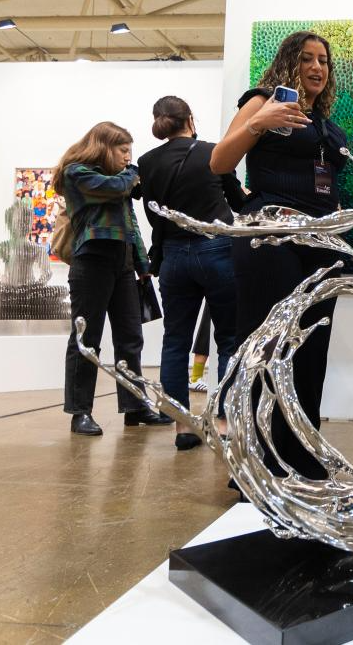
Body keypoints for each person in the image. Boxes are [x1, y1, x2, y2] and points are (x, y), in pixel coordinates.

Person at [210, 30, 347, 481]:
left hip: (320, 241)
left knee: (310, 349)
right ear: (289, 62)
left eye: (323, 60)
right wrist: (259, 123)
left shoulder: (323, 122)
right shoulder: (262, 101)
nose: (317, 67)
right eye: (307, 58)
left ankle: (301, 459)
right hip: (271, 239)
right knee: (266, 346)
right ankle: (254, 461)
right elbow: (219, 162)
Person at [138, 96, 245, 450]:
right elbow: (239, 203)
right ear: (190, 119)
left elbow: (155, 214)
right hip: (217, 250)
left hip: (173, 257)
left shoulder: (146, 162)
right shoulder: (213, 152)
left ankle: (182, 427)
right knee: (228, 339)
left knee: (175, 341)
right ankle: (225, 424)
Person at [54, 122, 169, 436]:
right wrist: (134, 173)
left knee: (130, 337)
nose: (128, 157)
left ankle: (135, 407)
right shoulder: (77, 174)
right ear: (104, 147)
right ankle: (80, 412)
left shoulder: (119, 181)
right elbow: (115, 188)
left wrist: (143, 264)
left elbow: (130, 225)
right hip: (91, 261)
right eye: (123, 150)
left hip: (123, 264)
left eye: (130, 151)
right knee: (86, 338)